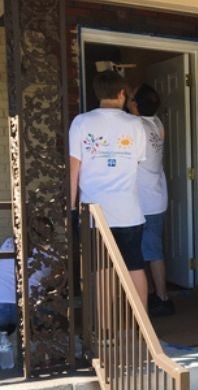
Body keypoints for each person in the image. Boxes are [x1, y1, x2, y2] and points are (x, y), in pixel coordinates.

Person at [69, 70, 148, 308]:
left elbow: (74, 170)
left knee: (102, 270)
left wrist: (72, 208)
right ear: (122, 93)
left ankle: (106, 332)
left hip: (95, 213)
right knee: (135, 265)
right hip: (129, 210)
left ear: (98, 94)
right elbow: (136, 162)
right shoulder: (136, 124)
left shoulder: (81, 122)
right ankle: (143, 330)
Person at [127, 83, 174, 316]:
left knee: (149, 252)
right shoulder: (157, 123)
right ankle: (159, 295)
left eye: (132, 98)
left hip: (144, 201)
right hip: (156, 198)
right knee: (153, 250)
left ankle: (162, 299)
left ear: (135, 105)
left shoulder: (137, 125)